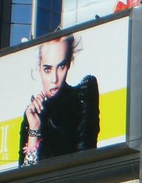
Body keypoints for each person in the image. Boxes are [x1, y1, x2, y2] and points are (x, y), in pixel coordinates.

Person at [18, 34, 99, 167]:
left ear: (68, 65)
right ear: (39, 69)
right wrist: (34, 130)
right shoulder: (31, 115)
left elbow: (85, 156)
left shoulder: (82, 95)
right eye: (48, 69)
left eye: (61, 67)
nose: (54, 79)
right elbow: (25, 176)